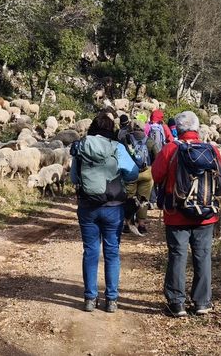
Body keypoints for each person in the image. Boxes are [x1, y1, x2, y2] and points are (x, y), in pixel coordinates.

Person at [151, 110, 221, 317]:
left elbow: (156, 175)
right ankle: (202, 302)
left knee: (177, 255)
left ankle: (177, 303)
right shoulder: (212, 149)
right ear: (197, 128)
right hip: (206, 214)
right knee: (203, 256)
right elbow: (219, 177)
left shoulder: (171, 149)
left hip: (176, 213)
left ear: (179, 128)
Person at [71, 110, 139, 313]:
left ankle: (90, 298)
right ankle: (111, 299)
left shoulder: (81, 146)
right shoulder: (117, 147)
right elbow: (133, 173)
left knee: (90, 251)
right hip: (113, 207)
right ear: (112, 130)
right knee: (112, 253)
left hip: (87, 206)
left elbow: (74, 178)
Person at [118, 115, 155, 236]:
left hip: (130, 172)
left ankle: (126, 223)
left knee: (128, 197)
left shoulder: (125, 139)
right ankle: (142, 225)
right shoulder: (149, 140)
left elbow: (119, 155)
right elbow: (157, 156)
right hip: (146, 173)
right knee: (143, 198)